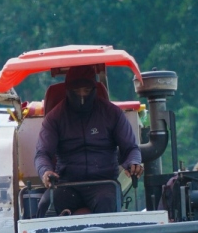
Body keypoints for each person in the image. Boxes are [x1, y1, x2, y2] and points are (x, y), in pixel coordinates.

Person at [34, 65, 143, 215]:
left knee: (107, 202)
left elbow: (131, 148)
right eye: (76, 91)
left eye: (86, 91)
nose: (81, 96)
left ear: (95, 89)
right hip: (67, 184)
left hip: (104, 183)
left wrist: (133, 162)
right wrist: (45, 171)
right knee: (45, 205)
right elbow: (42, 154)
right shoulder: (55, 118)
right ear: (67, 91)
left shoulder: (112, 113)